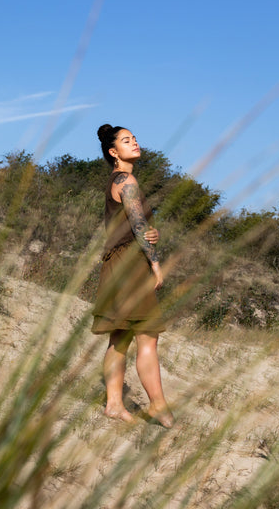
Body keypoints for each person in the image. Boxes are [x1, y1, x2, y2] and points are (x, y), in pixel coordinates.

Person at [92, 124, 174, 428]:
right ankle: (158, 406)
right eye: (127, 141)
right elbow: (139, 226)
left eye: (135, 138)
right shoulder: (126, 179)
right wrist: (154, 263)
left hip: (117, 263)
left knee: (120, 337)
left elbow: (135, 224)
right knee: (147, 337)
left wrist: (151, 232)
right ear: (114, 152)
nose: (135, 143)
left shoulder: (117, 179)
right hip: (129, 264)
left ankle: (114, 404)